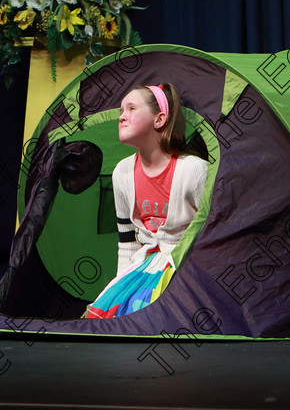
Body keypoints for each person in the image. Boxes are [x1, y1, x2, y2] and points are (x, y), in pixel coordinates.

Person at [85, 83, 208, 319]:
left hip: (186, 267)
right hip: (146, 268)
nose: (122, 117)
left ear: (159, 119)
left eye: (131, 108)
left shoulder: (193, 170)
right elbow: (127, 243)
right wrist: (120, 286)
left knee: (155, 319)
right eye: (121, 111)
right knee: (106, 318)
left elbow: (213, 235)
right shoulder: (122, 173)